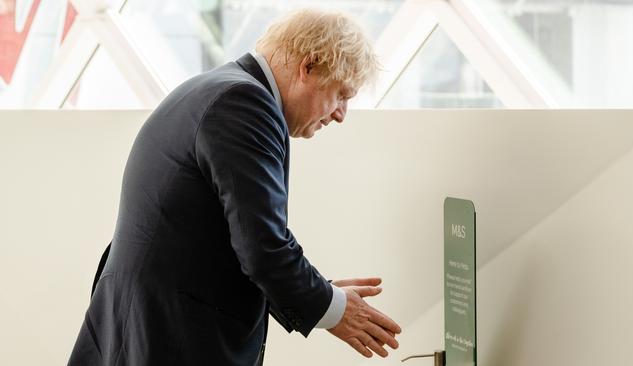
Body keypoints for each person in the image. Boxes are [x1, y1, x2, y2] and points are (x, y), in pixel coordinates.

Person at [68, 9, 401, 366]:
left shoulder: (216, 87)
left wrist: (321, 292)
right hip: (172, 338)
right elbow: (264, 250)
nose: (340, 114)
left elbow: (234, 241)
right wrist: (334, 308)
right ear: (309, 66)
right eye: (341, 94)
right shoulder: (244, 105)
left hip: (145, 329)